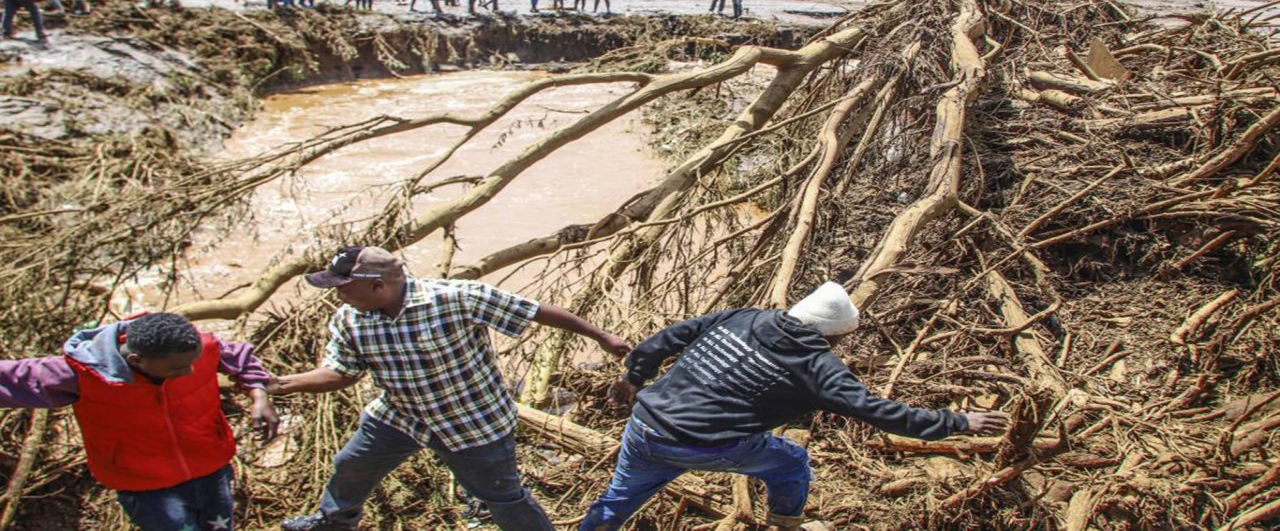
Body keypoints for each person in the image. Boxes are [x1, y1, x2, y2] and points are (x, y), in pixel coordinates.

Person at [580, 282, 1011, 530]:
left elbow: (668, 338)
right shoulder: (818, 368)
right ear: (837, 337)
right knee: (790, 462)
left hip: (645, 426)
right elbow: (880, 412)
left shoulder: (743, 317)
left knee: (619, 498)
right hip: (704, 444)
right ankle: (785, 525)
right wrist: (956, 420)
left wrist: (633, 377)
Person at [273, 246, 631, 531]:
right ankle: (335, 520)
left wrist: (601, 337)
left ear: (377, 286)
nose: (339, 296)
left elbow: (535, 311)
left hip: (473, 423)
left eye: (343, 288)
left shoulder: (455, 298)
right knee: (351, 464)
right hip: (400, 416)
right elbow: (343, 373)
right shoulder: (350, 318)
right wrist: (284, 384)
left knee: (503, 498)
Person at [0, 311, 280, 531]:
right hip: (146, 484)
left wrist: (259, 395)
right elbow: (13, 379)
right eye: (178, 368)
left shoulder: (195, 346)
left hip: (211, 466)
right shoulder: (83, 374)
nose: (190, 371)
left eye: (193, 362)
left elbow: (240, 358)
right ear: (137, 360)